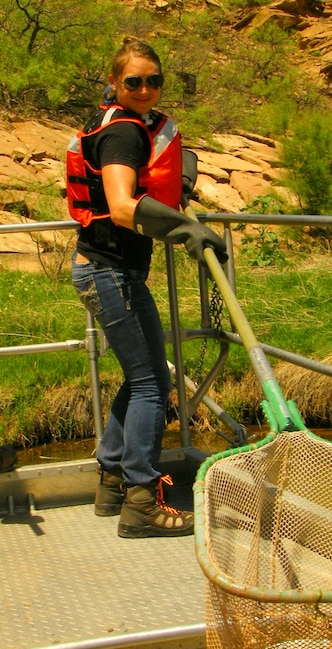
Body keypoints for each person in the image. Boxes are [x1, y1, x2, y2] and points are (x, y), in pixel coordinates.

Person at [66, 37, 226, 539]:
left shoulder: (119, 124)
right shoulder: (124, 133)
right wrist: (188, 230)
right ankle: (141, 502)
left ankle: (112, 481)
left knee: (142, 379)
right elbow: (119, 204)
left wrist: (175, 186)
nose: (144, 89)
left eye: (153, 81)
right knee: (154, 385)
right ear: (114, 83)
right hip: (110, 272)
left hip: (104, 269)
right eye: (133, 81)